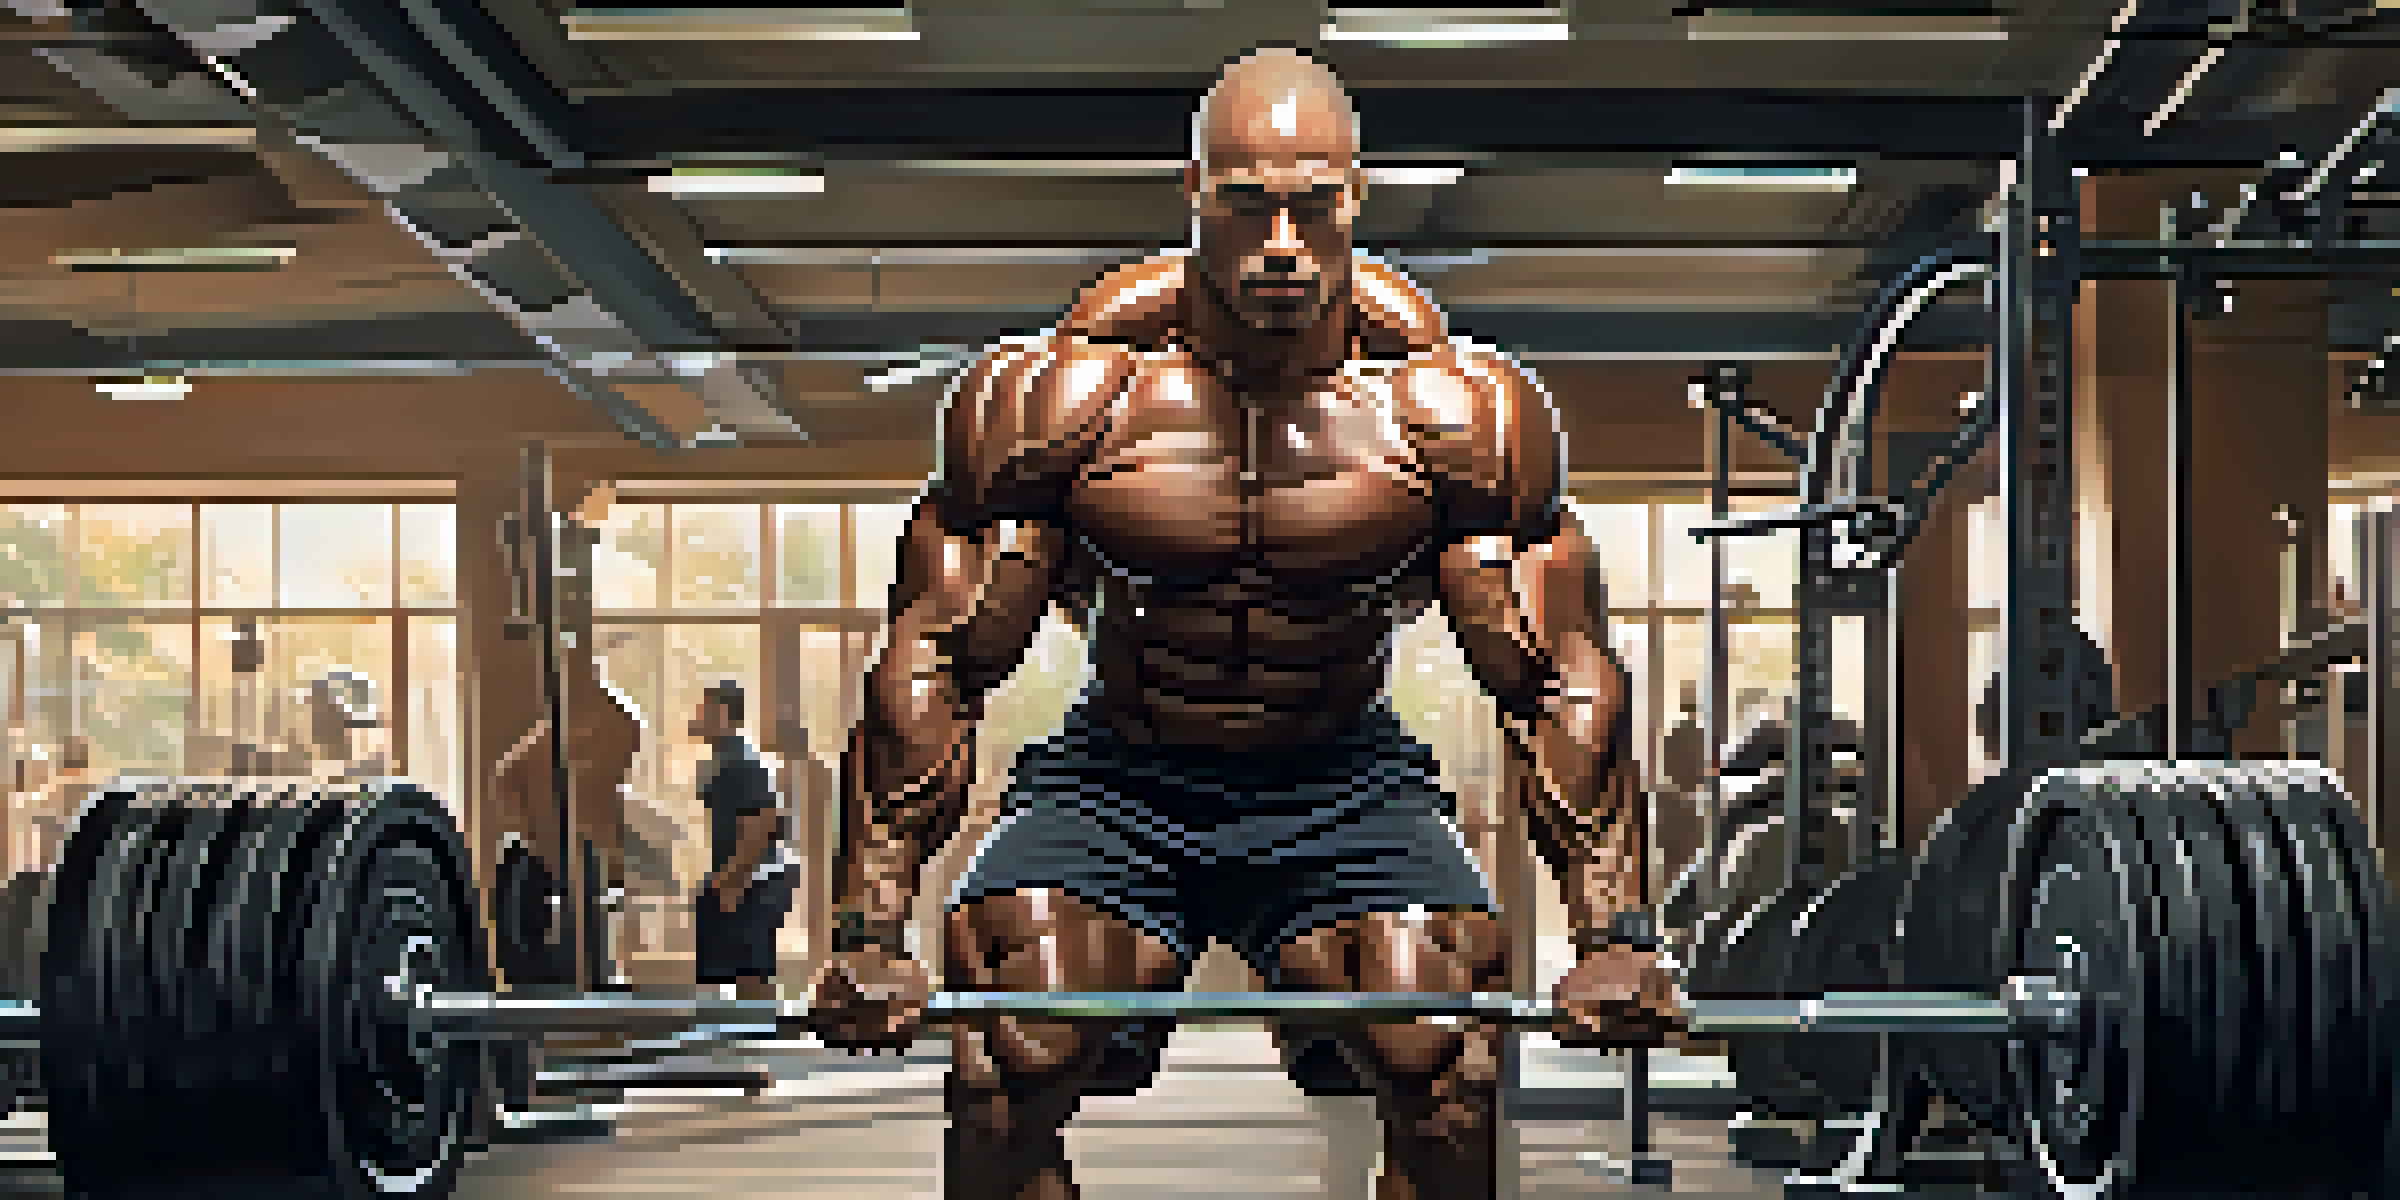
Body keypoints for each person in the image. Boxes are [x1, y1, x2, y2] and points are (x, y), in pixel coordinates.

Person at [808, 46, 1683, 1200]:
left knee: (1447, 1069)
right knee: (1008, 1061)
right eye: (1245, 204)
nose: (1281, 243)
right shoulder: (1056, 403)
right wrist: (870, 932)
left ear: (1355, 198)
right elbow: (938, 653)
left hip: (1342, 778)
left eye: (1313, 207)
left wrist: (1614, 932)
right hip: (1120, 775)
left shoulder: (1455, 415)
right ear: (1194, 194)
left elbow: (1552, 674)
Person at [690, 680, 793, 1001]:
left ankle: (757, 1027)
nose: (698, 715)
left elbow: (764, 822)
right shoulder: (725, 758)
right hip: (740, 878)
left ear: (723, 713)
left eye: (705, 709)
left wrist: (733, 879)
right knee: (725, 972)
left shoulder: (742, 761)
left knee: (750, 974)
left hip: (753, 881)